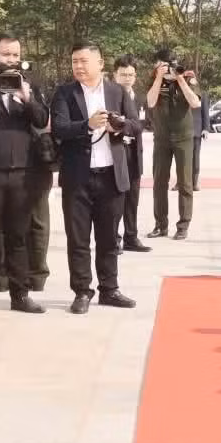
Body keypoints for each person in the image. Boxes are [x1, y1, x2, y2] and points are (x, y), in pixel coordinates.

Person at [50, 43, 141, 314]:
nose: (78, 66)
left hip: (111, 177)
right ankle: (81, 291)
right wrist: (87, 126)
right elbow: (60, 129)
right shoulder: (64, 94)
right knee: (78, 239)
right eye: (74, 61)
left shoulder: (117, 92)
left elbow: (137, 125)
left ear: (100, 63)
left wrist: (120, 124)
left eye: (84, 61)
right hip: (78, 178)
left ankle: (109, 289)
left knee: (108, 238)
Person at [0, 33, 51, 315]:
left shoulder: (30, 85)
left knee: (18, 236)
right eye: (5, 54)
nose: (11, 60)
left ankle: (20, 294)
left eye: (15, 55)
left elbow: (42, 119)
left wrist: (26, 96)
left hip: (23, 172)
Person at [146, 51, 203, 241]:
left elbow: (195, 103)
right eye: (165, 65)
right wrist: (159, 78)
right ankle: (160, 225)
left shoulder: (188, 77)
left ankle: (183, 225)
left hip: (184, 137)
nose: (170, 68)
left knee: (185, 183)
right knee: (159, 182)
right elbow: (150, 101)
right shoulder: (154, 78)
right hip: (161, 137)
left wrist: (180, 80)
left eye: (172, 64)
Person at [113, 57, 149, 253]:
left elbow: (142, 124)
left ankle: (131, 237)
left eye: (130, 75)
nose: (127, 78)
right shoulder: (109, 96)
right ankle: (114, 239)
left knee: (133, 198)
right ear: (115, 75)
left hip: (134, 153)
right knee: (117, 199)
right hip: (117, 152)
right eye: (123, 74)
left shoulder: (140, 97)